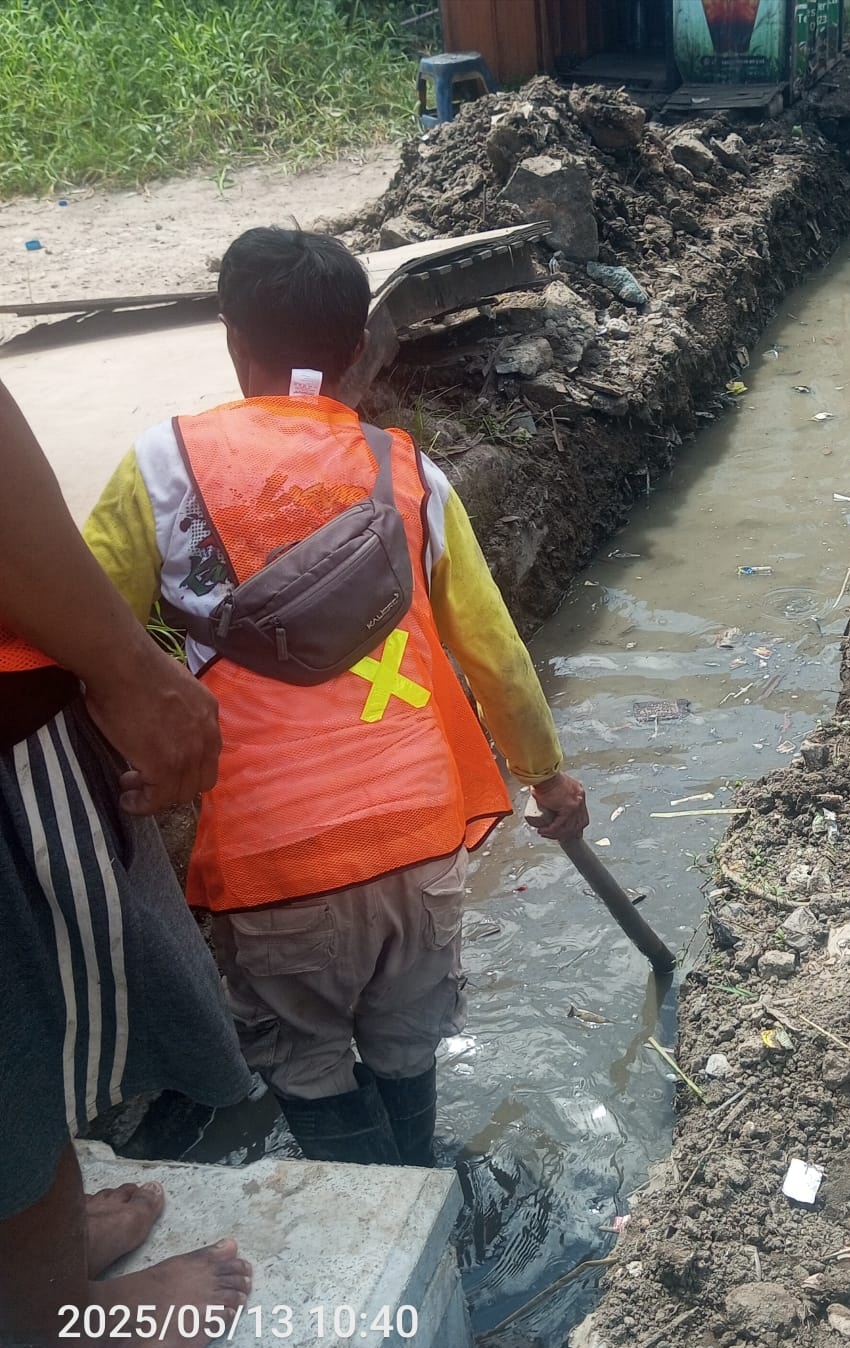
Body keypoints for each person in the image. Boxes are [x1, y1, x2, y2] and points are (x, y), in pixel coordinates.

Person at [84, 226, 590, 1169]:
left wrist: (126, 761)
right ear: (359, 351)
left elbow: (86, 636)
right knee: (404, 1045)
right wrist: (548, 777)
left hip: (276, 863)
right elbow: (497, 656)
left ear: (233, 341)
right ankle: (427, 1204)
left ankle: (383, 1214)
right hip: (419, 846)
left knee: (308, 1063)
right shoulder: (412, 473)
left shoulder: (161, 468)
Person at [0, 378, 254, 1347]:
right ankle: (48, 1309)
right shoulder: (406, 467)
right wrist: (130, 667)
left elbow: (109, 552)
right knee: (20, 1036)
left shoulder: (164, 455)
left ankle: (37, 1241)